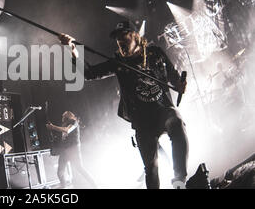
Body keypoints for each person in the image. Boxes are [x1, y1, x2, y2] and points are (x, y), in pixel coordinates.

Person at [59, 20, 189, 189]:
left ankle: (179, 182)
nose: (120, 41)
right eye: (117, 39)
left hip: (162, 111)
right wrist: (72, 50)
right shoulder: (118, 62)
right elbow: (89, 73)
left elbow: (174, 78)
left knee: (175, 120)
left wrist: (180, 85)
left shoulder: (155, 53)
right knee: (151, 168)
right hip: (142, 121)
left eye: (124, 36)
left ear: (135, 36)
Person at [46, 111, 97, 189]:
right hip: (65, 150)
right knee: (60, 172)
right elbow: (64, 134)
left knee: (80, 168)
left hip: (73, 149)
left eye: (64, 115)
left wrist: (53, 127)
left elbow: (67, 130)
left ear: (68, 116)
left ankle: (95, 185)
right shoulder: (64, 124)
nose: (62, 117)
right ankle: (63, 187)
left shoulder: (74, 122)